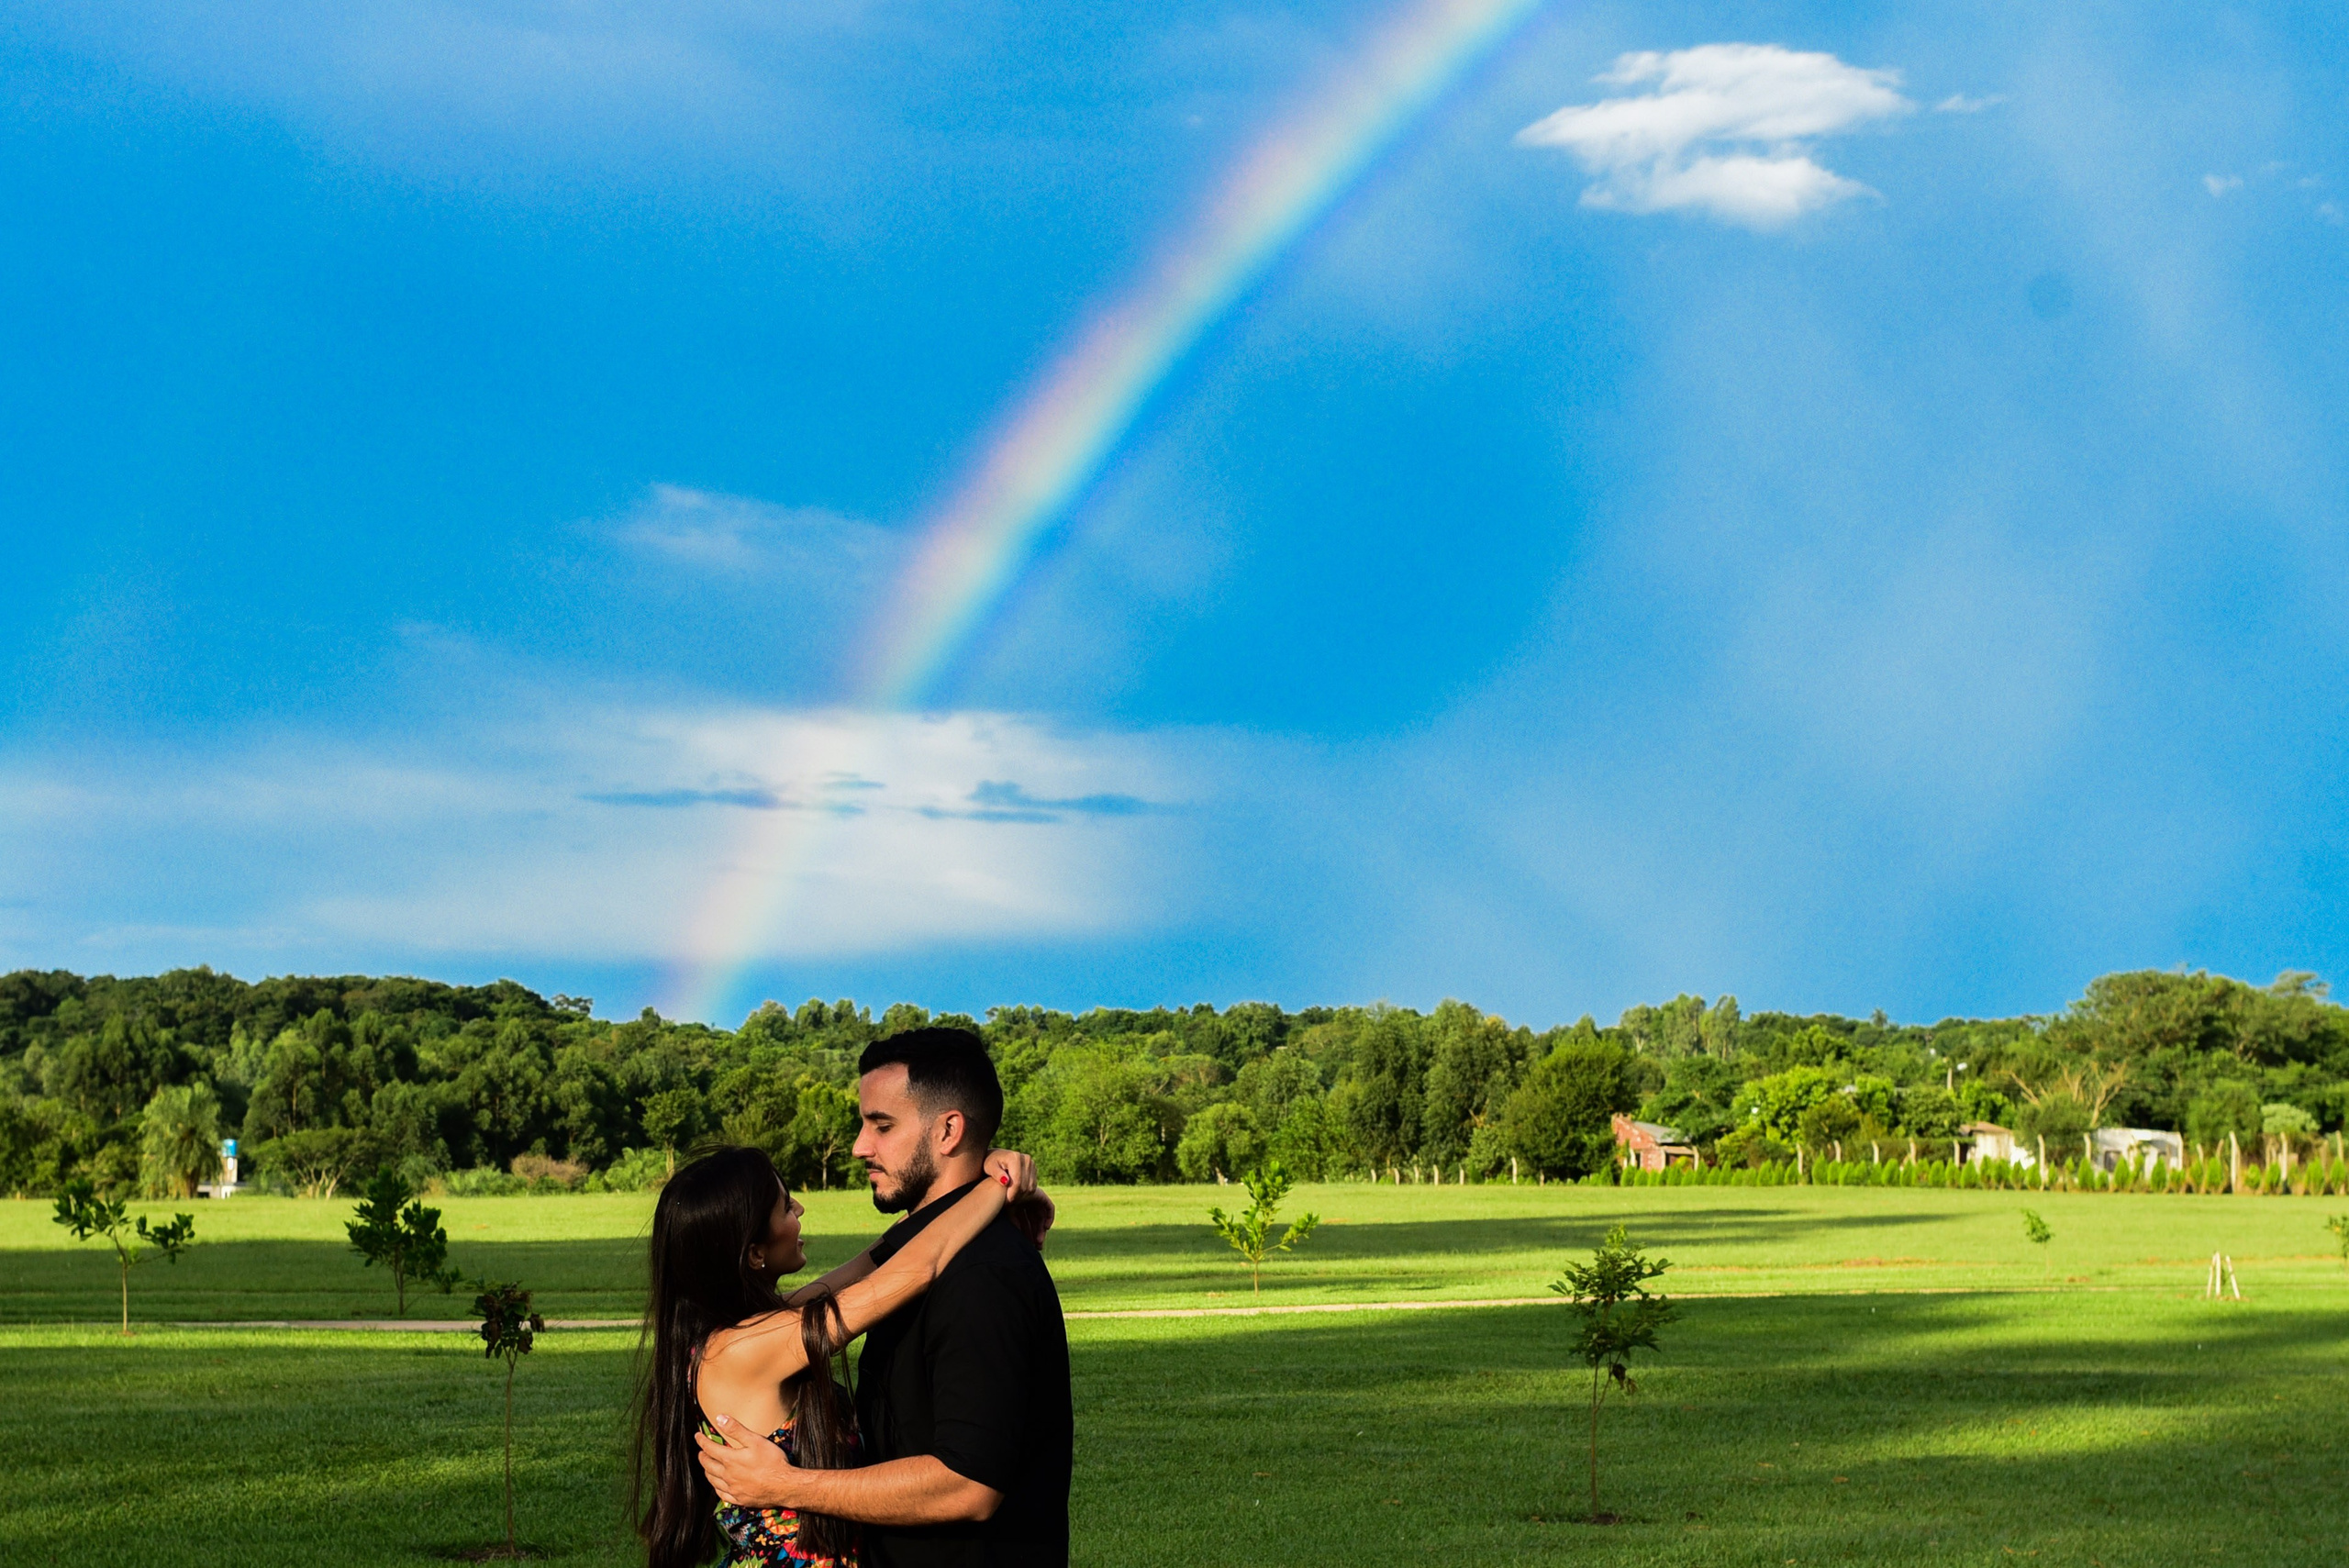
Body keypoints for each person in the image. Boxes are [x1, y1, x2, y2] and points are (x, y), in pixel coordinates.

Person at [696, 1027, 1074, 1568]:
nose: (859, 1146)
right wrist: (993, 1176)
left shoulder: (981, 1275)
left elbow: (968, 1485)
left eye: (882, 1125)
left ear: (948, 1131)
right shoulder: (905, 1265)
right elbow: (891, 1263)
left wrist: (786, 1484)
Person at [635, 1140, 1041, 1568]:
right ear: (754, 1253)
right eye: (783, 1206)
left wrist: (979, 1174)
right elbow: (915, 1269)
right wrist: (998, 1184)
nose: (799, 1208)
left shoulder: (746, 1331)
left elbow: (872, 1262)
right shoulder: (743, 1348)